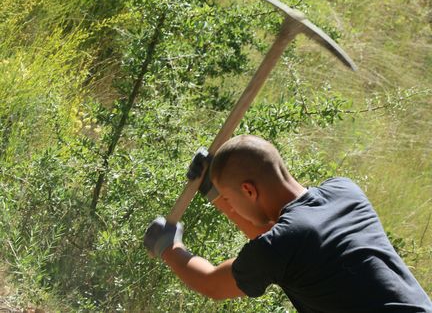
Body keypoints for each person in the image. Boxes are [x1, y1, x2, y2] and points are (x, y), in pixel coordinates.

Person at [144, 135, 432, 312]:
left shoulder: (282, 246)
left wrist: (169, 247)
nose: (230, 206)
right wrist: (214, 191)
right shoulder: (345, 191)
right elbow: (282, 242)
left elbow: (213, 285)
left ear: (248, 190)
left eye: (230, 199)